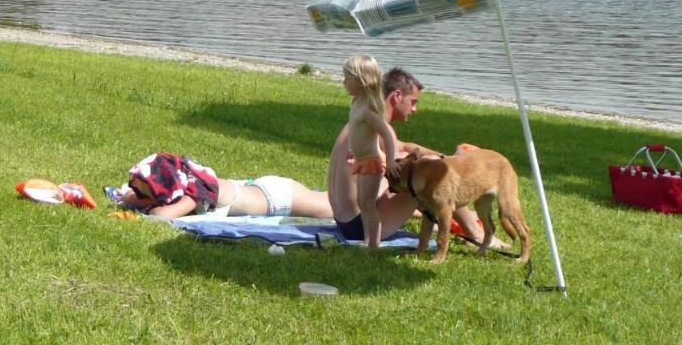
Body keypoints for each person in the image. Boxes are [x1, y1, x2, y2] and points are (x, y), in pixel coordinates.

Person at [327, 66, 501, 245]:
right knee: (434, 170)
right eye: (413, 102)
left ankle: (445, 216)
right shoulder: (382, 129)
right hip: (362, 227)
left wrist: (447, 156)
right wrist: (446, 162)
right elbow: (403, 163)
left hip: (345, 221)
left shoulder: (363, 120)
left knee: (423, 162)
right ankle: (476, 234)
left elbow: (403, 146)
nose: (415, 109)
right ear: (397, 96)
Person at [116, 152, 333, 220]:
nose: (138, 195)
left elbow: (162, 216)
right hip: (256, 188)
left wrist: (141, 203)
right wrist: (131, 197)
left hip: (278, 199)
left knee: (334, 209)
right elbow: (130, 197)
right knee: (329, 199)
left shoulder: (194, 193)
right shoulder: (182, 180)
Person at [341, 56, 397, 247]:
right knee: (362, 202)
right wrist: (351, 148)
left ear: (361, 81)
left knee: (368, 204)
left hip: (372, 162)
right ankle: (368, 239)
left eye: (347, 78)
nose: (344, 82)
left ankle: (372, 243)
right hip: (361, 160)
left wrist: (391, 162)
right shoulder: (356, 102)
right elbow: (358, 132)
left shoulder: (367, 109)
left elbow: (387, 136)